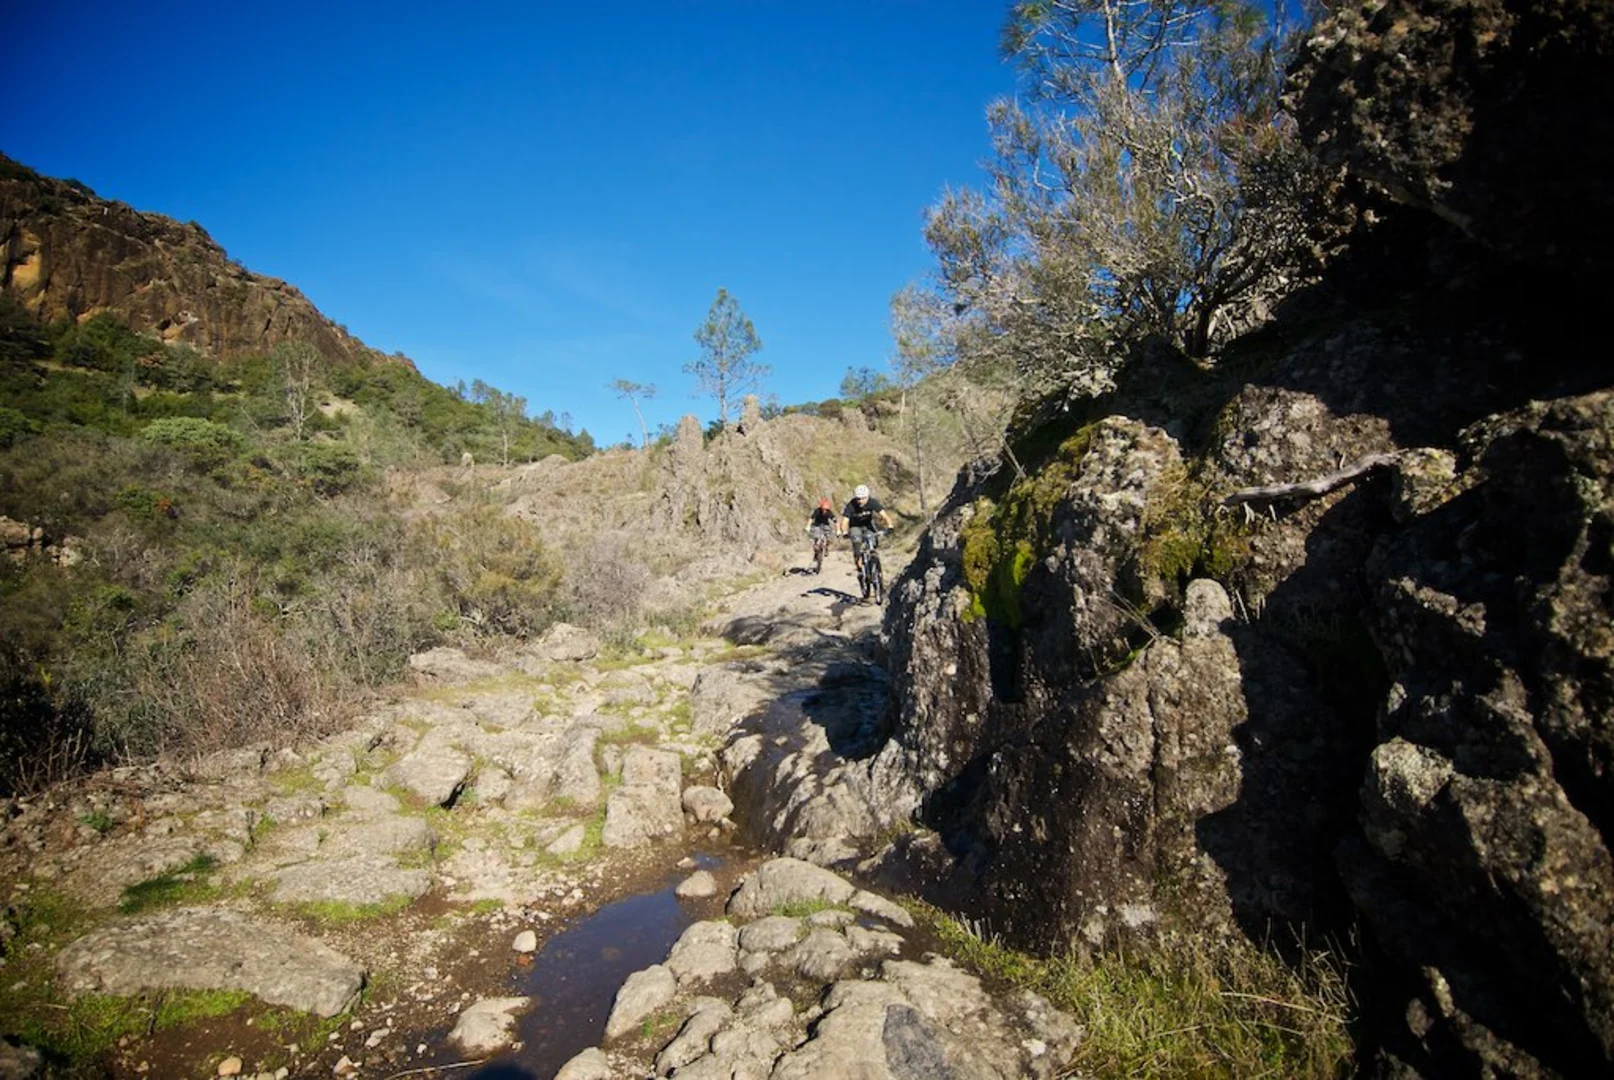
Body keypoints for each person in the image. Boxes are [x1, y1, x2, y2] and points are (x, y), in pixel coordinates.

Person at [838, 484, 893, 576]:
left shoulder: (872, 502)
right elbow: (845, 520)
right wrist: (844, 531)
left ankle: (873, 562)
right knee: (857, 542)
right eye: (858, 499)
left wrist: (890, 525)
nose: (861, 501)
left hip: (868, 525)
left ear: (867, 496)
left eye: (863, 498)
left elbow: (884, 515)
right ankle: (859, 567)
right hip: (855, 526)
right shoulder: (851, 505)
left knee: (873, 541)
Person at [806, 497, 836, 573]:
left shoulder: (829, 512)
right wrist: (808, 526)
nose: (824, 511)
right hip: (817, 525)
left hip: (825, 525)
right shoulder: (817, 511)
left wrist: (838, 528)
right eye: (823, 509)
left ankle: (826, 548)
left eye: (826, 509)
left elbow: (834, 519)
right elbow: (811, 518)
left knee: (829, 536)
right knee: (816, 538)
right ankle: (816, 553)